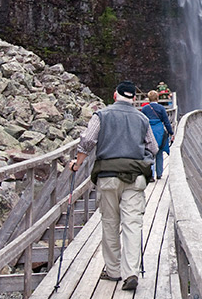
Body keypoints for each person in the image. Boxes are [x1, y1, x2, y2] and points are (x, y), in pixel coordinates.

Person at [69, 81, 158, 291]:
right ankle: (131, 272)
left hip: (107, 177)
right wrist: (141, 160)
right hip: (135, 178)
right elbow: (153, 147)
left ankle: (113, 270)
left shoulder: (101, 115)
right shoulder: (143, 118)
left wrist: (77, 164)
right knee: (132, 224)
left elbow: (87, 141)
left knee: (110, 222)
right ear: (134, 99)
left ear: (115, 95)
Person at [141, 90, 174, 180]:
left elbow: (141, 122)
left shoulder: (145, 109)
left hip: (148, 131)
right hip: (159, 131)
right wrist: (171, 132)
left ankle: (151, 174)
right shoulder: (161, 108)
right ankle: (159, 173)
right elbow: (167, 122)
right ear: (157, 98)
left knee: (150, 153)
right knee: (159, 152)